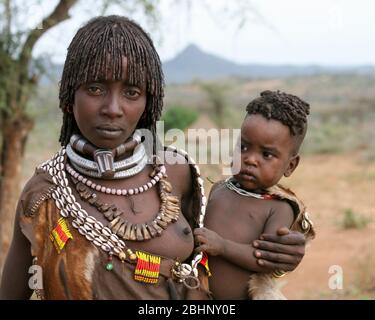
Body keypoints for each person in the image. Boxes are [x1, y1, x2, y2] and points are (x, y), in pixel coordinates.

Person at [0, 16, 307, 300]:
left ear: (148, 102)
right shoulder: (44, 195)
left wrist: (279, 254)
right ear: (69, 97)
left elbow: (219, 250)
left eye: (131, 92)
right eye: (95, 88)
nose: (113, 108)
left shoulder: (177, 171)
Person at [194, 90, 315, 300]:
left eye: (266, 154)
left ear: (290, 165)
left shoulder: (279, 207)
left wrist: (222, 246)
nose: (250, 159)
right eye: (243, 147)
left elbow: (265, 259)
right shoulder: (220, 188)